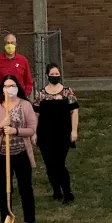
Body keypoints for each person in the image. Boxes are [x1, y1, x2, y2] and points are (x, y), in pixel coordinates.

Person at [0, 75, 39, 223]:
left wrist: (15, 131)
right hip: (4, 156)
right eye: (6, 86)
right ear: (2, 89)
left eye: (12, 85)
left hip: (21, 154)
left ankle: (30, 221)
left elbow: (32, 129)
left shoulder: (25, 105)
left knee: (25, 188)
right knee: (4, 189)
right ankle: (5, 221)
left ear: (17, 87)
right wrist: (1, 126)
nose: (9, 88)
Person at [33, 63, 79, 203]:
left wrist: (74, 131)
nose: (54, 77)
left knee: (60, 164)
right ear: (47, 76)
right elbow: (36, 114)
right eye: (52, 75)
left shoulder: (67, 92)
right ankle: (56, 191)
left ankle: (67, 192)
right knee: (49, 165)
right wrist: (34, 133)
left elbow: (74, 111)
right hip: (45, 134)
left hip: (63, 134)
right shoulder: (41, 93)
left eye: (56, 74)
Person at [0, 33, 34, 101]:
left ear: (15, 45)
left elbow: (29, 80)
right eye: (8, 43)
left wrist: (26, 95)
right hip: (2, 99)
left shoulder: (23, 60)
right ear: (4, 45)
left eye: (12, 43)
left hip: (19, 98)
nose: (10, 45)